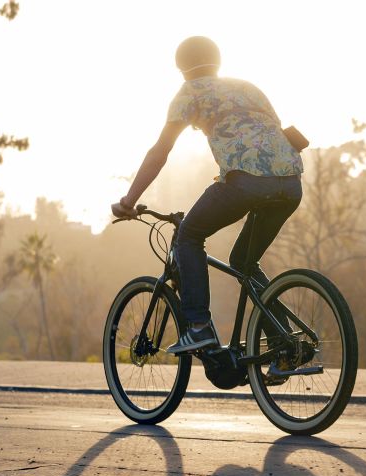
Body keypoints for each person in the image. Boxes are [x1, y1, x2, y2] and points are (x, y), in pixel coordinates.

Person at [112, 36, 304, 354]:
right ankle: (284, 343)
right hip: (290, 183)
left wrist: (129, 200)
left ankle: (199, 326)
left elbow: (160, 151)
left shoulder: (189, 94)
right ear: (218, 60)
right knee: (243, 261)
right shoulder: (247, 87)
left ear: (181, 68)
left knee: (189, 236)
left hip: (245, 182)